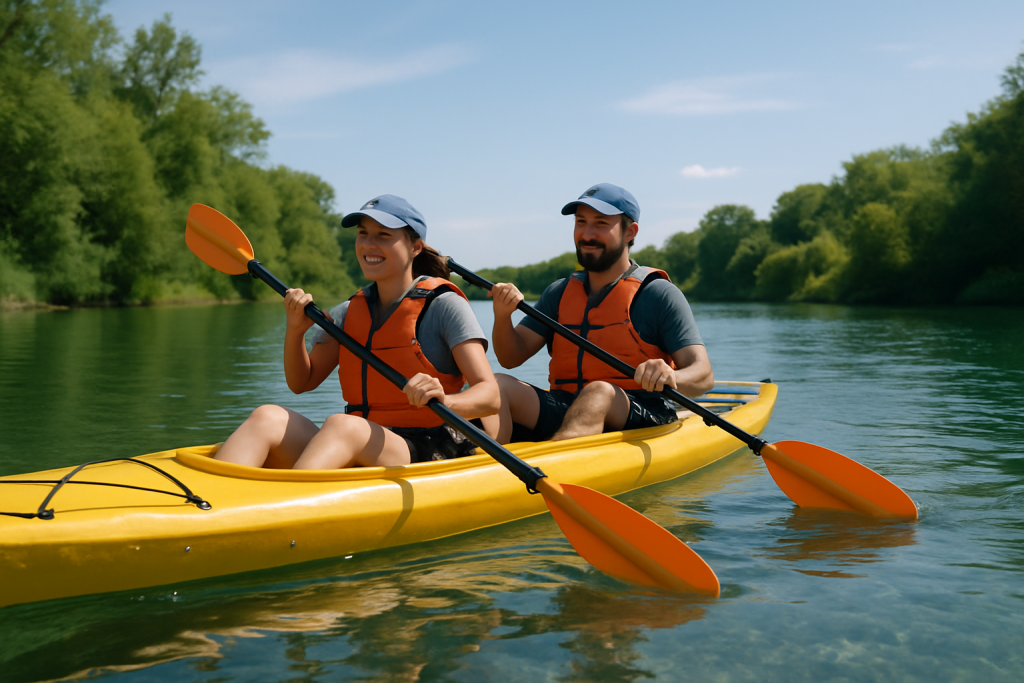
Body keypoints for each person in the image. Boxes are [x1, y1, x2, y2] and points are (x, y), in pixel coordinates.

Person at [215, 195, 500, 469]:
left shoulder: (444, 306)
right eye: (363, 234)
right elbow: (302, 382)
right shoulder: (348, 312)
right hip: (359, 438)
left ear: (415, 247)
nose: (368, 244)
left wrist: (445, 400)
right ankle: (210, 503)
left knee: (342, 426)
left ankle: (290, 508)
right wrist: (295, 332)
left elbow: (490, 397)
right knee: (267, 417)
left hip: (428, 444)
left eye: (383, 235)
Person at [489, 183, 713, 443]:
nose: (587, 233)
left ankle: (556, 467)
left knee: (599, 392)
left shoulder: (658, 294)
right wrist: (502, 316)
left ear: (630, 231)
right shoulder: (558, 293)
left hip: (640, 413)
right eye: (581, 222)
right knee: (495, 386)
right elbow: (510, 357)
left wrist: (671, 375)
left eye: (601, 223)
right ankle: (486, 468)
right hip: (566, 406)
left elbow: (704, 375)